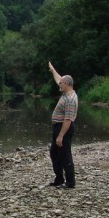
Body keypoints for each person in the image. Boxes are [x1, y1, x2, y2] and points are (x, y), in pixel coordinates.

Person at [48, 61, 78, 189]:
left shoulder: (70, 99)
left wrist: (60, 136)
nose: (59, 84)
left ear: (66, 85)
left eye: (61, 83)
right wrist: (53, 70)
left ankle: (70, 182)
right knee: (54, 153)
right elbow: (59, 78)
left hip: (63, 129)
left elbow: (68, 120)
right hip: (58, 127)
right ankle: (59, 178)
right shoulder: (66, 92)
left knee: (65, 155)